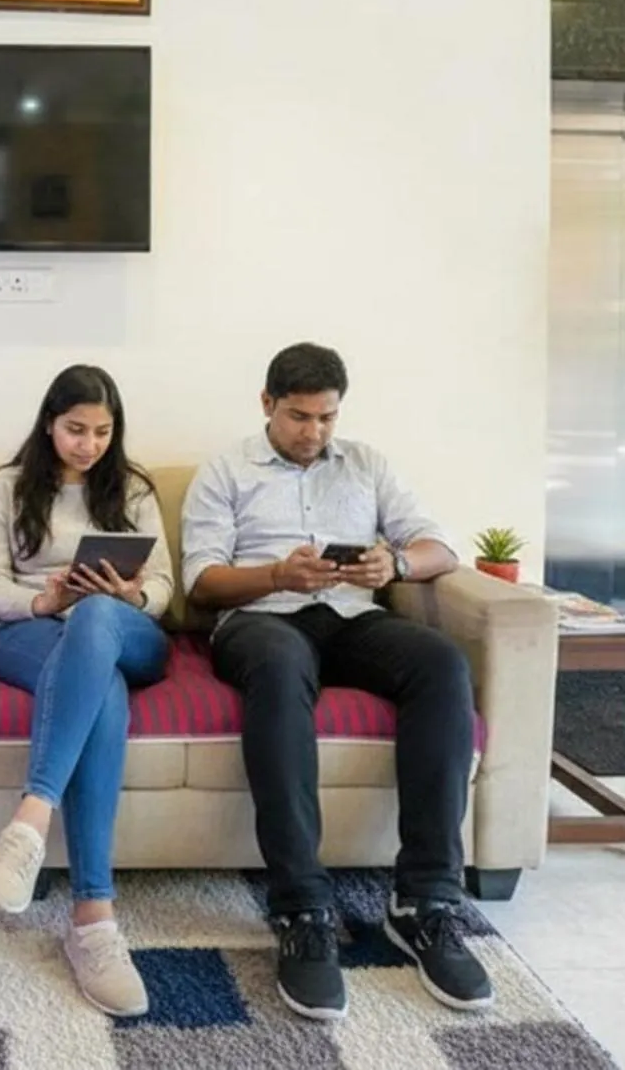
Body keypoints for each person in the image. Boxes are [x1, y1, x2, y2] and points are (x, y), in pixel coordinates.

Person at [180, 342, 492, 1020]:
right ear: (266, 403)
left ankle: (424, 900)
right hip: (260, 620)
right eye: (299, 416)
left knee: (441, 663)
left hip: (351, 616)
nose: (314, 432)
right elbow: (201, 583)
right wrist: (275, 575)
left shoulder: (367, 463)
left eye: (326, 417)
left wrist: (397, 566)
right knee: (281, 663)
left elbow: (441, 545)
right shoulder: (224, 470)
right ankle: (301, 905)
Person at [0, 364, 175, 1017]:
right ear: (49, 423)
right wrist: (44, 596)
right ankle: (93, 918)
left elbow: (166, 590)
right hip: (34, 630)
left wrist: (127, 594)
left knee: (96, 621)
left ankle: (31, 819)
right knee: (100, 689)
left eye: (102, 432)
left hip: (125, 627)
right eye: (75, 429)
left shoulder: (135, 489)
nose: (89, 444)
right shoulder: (6, 487)